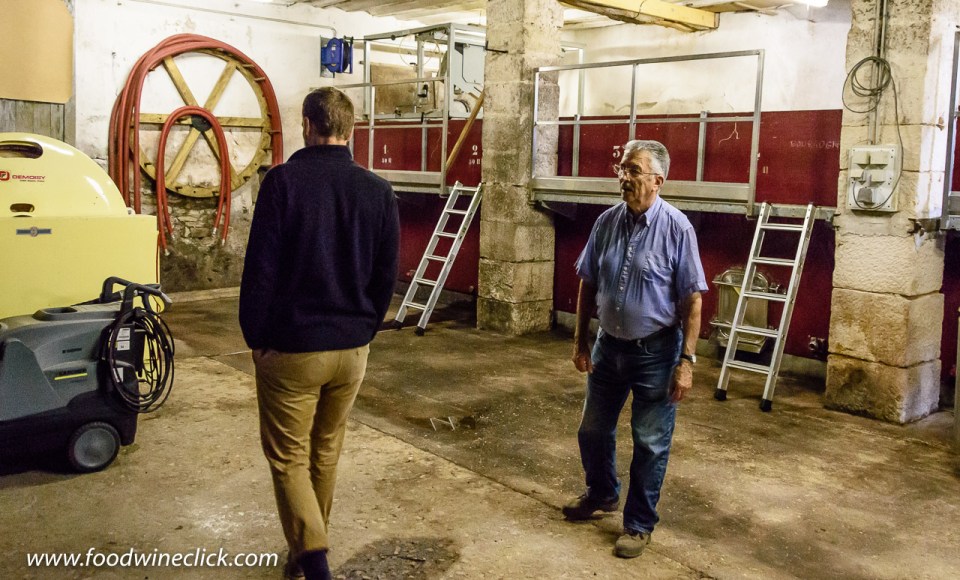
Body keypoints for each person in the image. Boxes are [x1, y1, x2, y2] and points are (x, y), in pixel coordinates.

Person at [239, 87, 400, 580]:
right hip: (352, 348)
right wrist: (366, 327)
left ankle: (315, 561)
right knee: (325, 449)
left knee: (288, 456)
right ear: (350, 129)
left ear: (308, 125)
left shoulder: (282, 183)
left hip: (293, 348)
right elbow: (386, 275)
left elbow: (261, 269)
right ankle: (305, 551)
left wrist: (256, 337)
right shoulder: (378, 190)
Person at [564, 139, 707, 559]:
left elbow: (693, 300)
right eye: (622, 169)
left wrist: (686, 362)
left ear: (657, 181)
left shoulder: (678, 228)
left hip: (656, 354)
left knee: (649, 443)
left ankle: (640, 524)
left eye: (634, 171)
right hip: (608, 348)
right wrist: (581, 339)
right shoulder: (606, 222)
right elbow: (588, 282)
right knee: (592, 430)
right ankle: (602, 493)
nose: (624, 178)